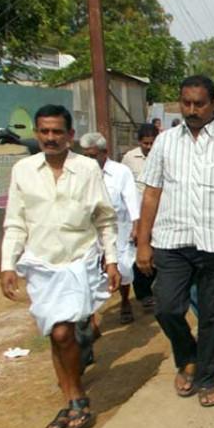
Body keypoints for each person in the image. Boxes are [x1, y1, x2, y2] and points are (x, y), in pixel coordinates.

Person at [136, 75, 214, 408]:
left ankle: (206, 378)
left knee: (212, 315)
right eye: (186, 102)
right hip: (172, 240)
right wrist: (143, 243)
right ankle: (187, 355)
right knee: (166, 306)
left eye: (199, 103)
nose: (191, 109)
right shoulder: (164, 143)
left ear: (213, 103)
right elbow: (151, 193)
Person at [0, 104, 119, 428]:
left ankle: (75, 397)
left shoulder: (87, 169)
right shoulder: (23, 171)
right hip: (40, 264)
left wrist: (111, 261)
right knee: (57, 333)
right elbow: (15, 223)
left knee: (65, 333)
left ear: (70, 135)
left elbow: (105, 218)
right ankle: (72, 400)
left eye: (57, 132)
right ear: (36, 133)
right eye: (44, 132)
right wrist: (7, 264)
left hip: (78, 262)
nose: (50, 138)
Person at [81, 132, 140, 324]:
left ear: (104, 152)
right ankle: (90, 317)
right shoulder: (79, 172)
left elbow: (131, 199)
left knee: (122, 267)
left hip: (118, 228)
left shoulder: (121, 172)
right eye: (86, 155)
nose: (89, 160)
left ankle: (124, 301)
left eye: (93, 155)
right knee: (88, 270)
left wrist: (136, 225)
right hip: (90, 230)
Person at [122, 123, 159, 309]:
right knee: (141, 250)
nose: (149, 147)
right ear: (139, 142)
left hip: (160, 211)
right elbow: (124, 184)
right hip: (138, 213)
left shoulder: (163, 155)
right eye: (146, 143)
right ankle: (143, 293)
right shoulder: (129, 158)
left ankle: (157, 288)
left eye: (153, 142)